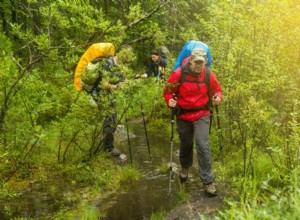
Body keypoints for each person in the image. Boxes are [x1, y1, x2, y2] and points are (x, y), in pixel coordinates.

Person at [164, 48, 222, 196]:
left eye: (201, 63)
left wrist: (217, 97)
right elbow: (168, 90)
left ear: (205, 62)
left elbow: (217, 90)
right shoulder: (179, 74)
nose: (198, 65)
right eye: (196, 62)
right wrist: (169, 100)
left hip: (202, 113)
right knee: (186, 143)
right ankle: (185, 167)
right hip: (183, 115)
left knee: (202, 143)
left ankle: (208, 181)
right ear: (190, 60)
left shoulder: (208, 74)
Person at [82, 45, 134, 157]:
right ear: (120, 53)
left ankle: (105, 142)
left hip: (111, 95)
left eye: (129, 55)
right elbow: (104, 84)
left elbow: (122, 79)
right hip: (102, 95)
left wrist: (128, 82)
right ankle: (108, 148)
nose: (127, 57)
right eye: (126, 55)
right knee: (109, 120)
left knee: (113, 119)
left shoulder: (122, 65)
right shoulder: (108, 64)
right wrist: (117, 87)